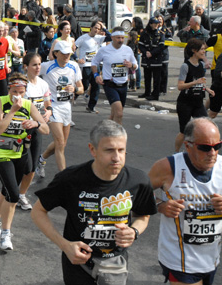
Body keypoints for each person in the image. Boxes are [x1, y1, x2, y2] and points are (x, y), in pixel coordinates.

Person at [32, 120, 157, 285]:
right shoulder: (70, 179)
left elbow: (143, 215)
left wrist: (134, 232)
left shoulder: (138, 180)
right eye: (109, 150)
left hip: (115, 264)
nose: (116, 158)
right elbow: (38, 212)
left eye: (121, 150)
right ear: (93, 150)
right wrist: (65, 245)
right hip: (78, 264)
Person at [148, 117, 222, 285]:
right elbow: (136, 193)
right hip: (179, 260)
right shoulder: (168, 167)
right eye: (205, 147)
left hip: (211, 259)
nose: (212, 153)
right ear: (188, 145)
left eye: (217, 146)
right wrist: (160, 205)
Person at [0, 73, 49, 251]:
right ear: (9, 90)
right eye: (14, 92)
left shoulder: (28, 105)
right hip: (1, 153)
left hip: (20, 154)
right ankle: (6, 234)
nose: (18, 96)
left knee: (6, 190)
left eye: (21, 92)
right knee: (13, 194)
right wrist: (12, 111)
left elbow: (46, 128)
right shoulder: (0, 102)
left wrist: (35, 124)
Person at [35, 41, 83, 177]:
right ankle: (64, 178)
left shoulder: (74, 66)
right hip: (53, 106)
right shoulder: (46, 66)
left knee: (61, 144)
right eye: (64, 53)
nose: (67, 55)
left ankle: (41, 159)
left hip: (67, 107)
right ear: (56, 53)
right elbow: (31, 73)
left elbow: (82, 89)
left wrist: (75, 89)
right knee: (60, 142)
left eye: (69, 53)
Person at [16, 52, 52, 211]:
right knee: (22, 165)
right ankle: (11, 191)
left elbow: (47, 102)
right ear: (26, 67)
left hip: (37, 128)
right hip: (21, 130)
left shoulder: (43, 84)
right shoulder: (21, 85)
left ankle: (21, 194)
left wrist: (49, 110)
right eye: (34, 65)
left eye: (39, 64)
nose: (38, 67)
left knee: (32, 166)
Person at [174, 39, 214, 153]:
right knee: (184, 131)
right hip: (185, 103)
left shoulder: (201, 65)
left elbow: (200, 82)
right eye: (201, 49)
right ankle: (176, 153)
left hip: (198, 102)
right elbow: (180, 86)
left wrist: (207, 89)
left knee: (205, 126)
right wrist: (194, 83)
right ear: (194, 50)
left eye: (204, 49)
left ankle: (202, 151)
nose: (204, 52)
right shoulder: (185, 66)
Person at [91, 27, 138, 124]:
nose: (120, 40)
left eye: (122, 38)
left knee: (114, 115)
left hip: (123, 84)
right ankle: (118, 137)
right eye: (118, 38)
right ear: (112, 37)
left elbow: (136, 65)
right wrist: (96, 75)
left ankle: (102, 132)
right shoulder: (104, 50)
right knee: (119, 114)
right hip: (110, 84)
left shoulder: (128, 49)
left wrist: (131, 65)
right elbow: (94, 62)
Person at [75, 20, 109, 113]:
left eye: (98, 29)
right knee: (84, 85)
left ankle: (91, 106)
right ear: (91, 27)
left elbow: (110, 37)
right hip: (85, 66)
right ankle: (73, 96)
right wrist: (77, 59)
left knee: (96, 86)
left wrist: (104, 27)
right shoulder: (83, 38)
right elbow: (73, 48)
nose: (96, 30)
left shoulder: (99, 38)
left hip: (95, 65)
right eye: (95, 28)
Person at [138, 17, 166, 101]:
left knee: (156, 79)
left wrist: (152, 53)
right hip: (147, 59)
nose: (157, 25)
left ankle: (155, 94)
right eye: (155, 23)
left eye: (157, 23)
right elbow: (140, 45)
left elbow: (161, 46)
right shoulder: (144, 33)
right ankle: (147, 92)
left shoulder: (160, 34)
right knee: (147, 77)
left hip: (156, 59)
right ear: (150, 24)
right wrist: (145, 52)